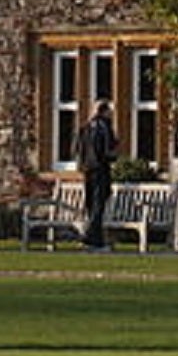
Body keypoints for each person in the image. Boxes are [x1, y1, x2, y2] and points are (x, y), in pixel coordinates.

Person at [74, 98, 118, 251]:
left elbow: (77, 149)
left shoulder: (85, 127)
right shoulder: (104, 127)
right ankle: (89, 236)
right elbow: (108, 150)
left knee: (92, 205)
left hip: (88, 170)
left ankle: (96, 242)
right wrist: (113, 156)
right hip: (100, 169)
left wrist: (82, 165)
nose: (111, 114)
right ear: (104, 111)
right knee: (99, 205)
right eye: (109, 111)